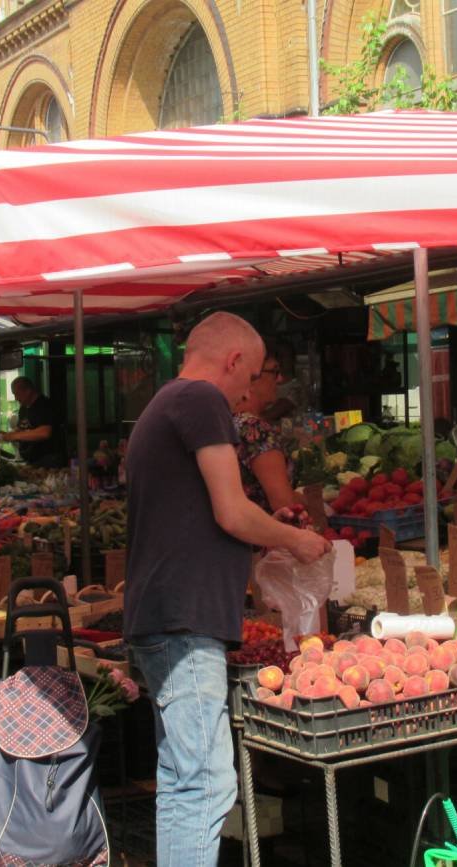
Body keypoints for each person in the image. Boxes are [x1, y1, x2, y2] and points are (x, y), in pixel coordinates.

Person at [123, 311, 332, 867]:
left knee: (181, 777)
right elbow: (232, 512)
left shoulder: (166, 402)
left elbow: (206, 519)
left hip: (166, 613)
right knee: (208, 782)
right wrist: (296, 539)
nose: (251, 391)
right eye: (255, 373)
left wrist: (268, 534)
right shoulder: (200, 400)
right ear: (235, 360)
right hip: (184, 619)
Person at [234, 347, 296, 513]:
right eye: (274, 371)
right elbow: (285, 504)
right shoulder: (256, 430)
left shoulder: (226, 421)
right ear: (252, 378)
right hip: (265, 534)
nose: (280, 379)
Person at [0, 376, 61, 467]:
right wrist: (7, 435)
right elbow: (22, 429)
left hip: (48, 461)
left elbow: (44, 433)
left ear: (28, 391)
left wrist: (14, 436)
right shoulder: (24, 408)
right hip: (31, 461)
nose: (16, 398)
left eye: (17, 394)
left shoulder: (44, 405)